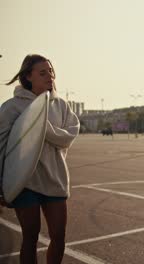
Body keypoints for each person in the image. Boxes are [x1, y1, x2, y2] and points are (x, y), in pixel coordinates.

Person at [0, 54, 80, 264]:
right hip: (25, 181)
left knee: (59, 237)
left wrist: (39, 126)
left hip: (56, 179)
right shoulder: (12, 107)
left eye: (51, 72)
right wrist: (2, 185)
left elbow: (69, 136)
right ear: (28, 77)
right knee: (30, 237)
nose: (50, 76)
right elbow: (1, 148)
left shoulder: (61, 106)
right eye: (42, 73)